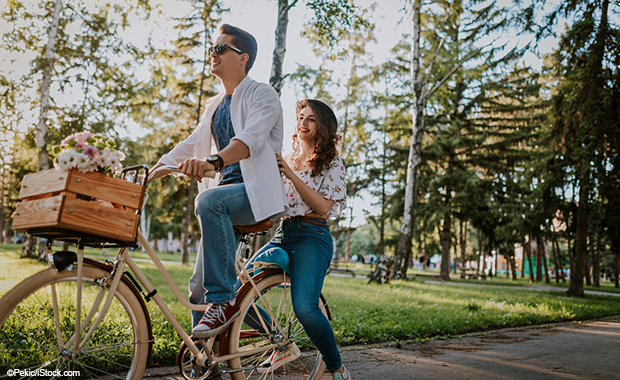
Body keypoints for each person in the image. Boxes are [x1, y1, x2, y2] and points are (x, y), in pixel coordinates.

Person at [153, 23, 285, 338]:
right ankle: (209, 359)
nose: (212, 54)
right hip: (227, 198)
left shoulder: (262, 94)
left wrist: (212, 161)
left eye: (220, 48)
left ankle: (223, 301)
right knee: (197, 289)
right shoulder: (215, 105)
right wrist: (158, 167)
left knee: (209, 202)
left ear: (243, 57)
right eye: (212, 48)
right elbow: (192, 142)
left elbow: (249, 140)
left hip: (256, 196)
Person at [248, 98, 350, 380]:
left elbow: (323, 207)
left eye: (311, 119)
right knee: (235, 293)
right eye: (300, 117)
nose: (303, 122)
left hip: (313, 236)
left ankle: (336, 367)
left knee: (305, 307)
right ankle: (280, 342)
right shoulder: (285, 159)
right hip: (283, 233)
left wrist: (290, 174)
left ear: (323, 127)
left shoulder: (333, 163)